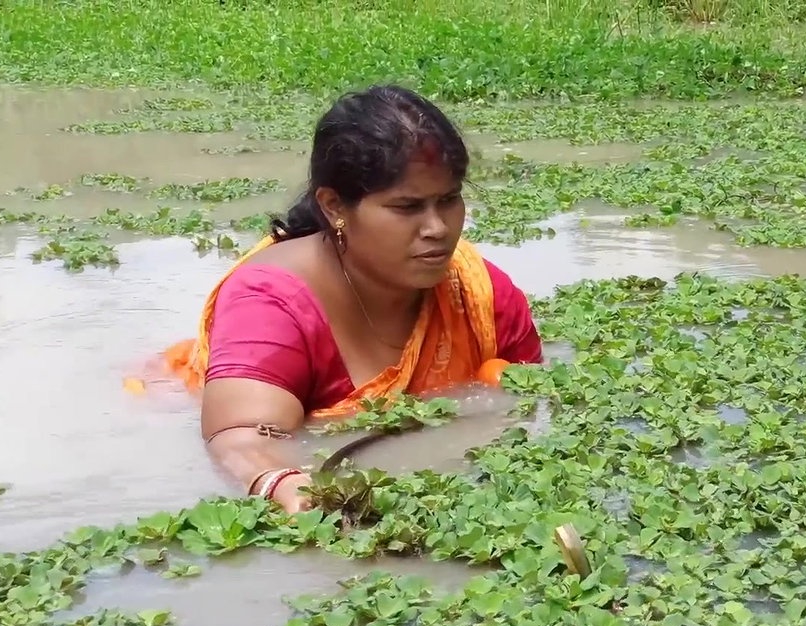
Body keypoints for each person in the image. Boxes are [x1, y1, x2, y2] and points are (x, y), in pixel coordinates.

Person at [155, 84, 543, 513]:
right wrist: (291, 490)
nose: (437, 227)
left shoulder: (482, 296)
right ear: (335, 206)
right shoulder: (271, 303)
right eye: (407, 207)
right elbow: (242, 435)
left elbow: (533, 404)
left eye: (448, 201)